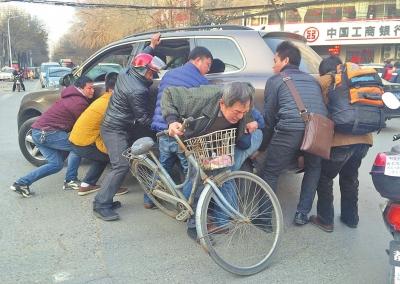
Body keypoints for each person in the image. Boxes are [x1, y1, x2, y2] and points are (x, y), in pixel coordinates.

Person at [162, 82, 263, 241]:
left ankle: (219, 220)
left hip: (219, 140)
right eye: (237, 112)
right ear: (222, 103)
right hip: (196, 140)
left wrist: (254, 121)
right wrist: (172, 120)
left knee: (222, 176)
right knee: (198, 180)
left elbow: (253, 115)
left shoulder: (244, 106)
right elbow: (169, 93)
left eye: (244, 112)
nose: (240, 116)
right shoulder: (201, 97)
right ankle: (193, 225)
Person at [258, 41, 328, 225]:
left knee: (270, 171)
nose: (273, 65)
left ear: (285, 60)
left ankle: (264, 218)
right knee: (313, 169)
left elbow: (269, 118)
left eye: (275, 60)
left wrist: (262, 148)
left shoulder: (275, 80)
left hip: (290, 129)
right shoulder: (313, 80)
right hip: (318, 130)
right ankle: (302, 214)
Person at [93, 45, 166, 221]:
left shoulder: (126, 73)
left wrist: (151, 47)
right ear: (141, 71)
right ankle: (101, 204)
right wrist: (163, 128)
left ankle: (107, 200)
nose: (153, 76)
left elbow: (141, 57)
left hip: (119, 126)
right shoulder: (137, 90)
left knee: (126, 163)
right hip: (114, 129)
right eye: (150, 73)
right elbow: (143, 119)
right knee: (121, 166)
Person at [309, 55, 373, 232]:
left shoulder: (326, 80)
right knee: (350, 177)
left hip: (341, 142)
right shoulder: (356, 79)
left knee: (325, 178)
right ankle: (350, 218)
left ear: (324, 70)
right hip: (364, 139)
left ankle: (325, 219)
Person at [149, 46, 213, 209]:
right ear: (197, 60)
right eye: (207, 64)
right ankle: (185, 207)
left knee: (163, 166)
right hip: (180, 132)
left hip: (162, 129)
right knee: (190, 172)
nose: (208, 69)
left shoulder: (169, 74)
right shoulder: (201, 81)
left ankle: (149, 199)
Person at [11, 76, 95, 197]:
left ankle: (21, 183)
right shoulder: (78, 102)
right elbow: (86, 124)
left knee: (56, 165)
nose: (92, 90)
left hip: (38, 132)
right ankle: (70, 180)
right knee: (77, 147)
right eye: (90, 88)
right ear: (81, 88)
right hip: (47, 133)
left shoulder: (72, 97)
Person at [68, 72, 127, 197]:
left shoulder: (105, 98)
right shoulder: (112, 103)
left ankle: (86, 185)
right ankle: (112, 188)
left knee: (102, 156)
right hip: (84, 142)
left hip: (77, 139)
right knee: (113, 158)